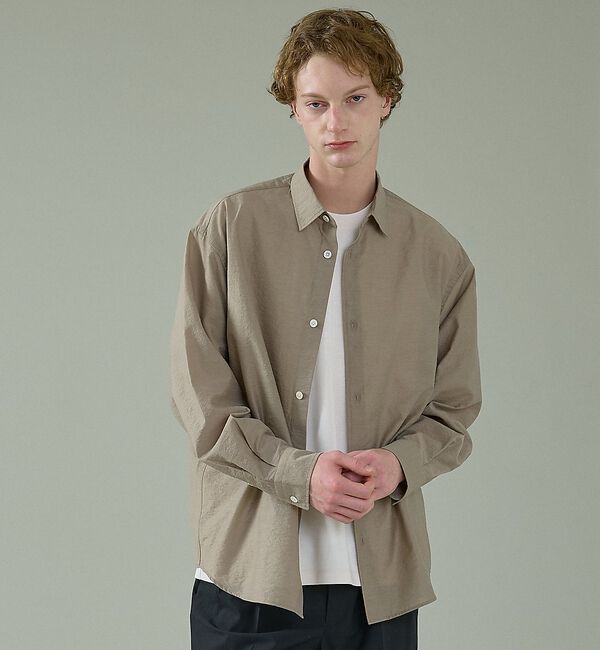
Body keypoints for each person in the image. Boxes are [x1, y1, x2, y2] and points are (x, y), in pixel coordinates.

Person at [169, 8, 482, 650]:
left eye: (354, 98)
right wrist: (297, 473)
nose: (335, 122)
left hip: (378, 589)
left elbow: (454, 412)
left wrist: (397, 466)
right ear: (294, 109)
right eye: (315, 103)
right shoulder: (230, 229)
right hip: (250, 579)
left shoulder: (438, 257)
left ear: (387, 101)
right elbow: (199, 397)